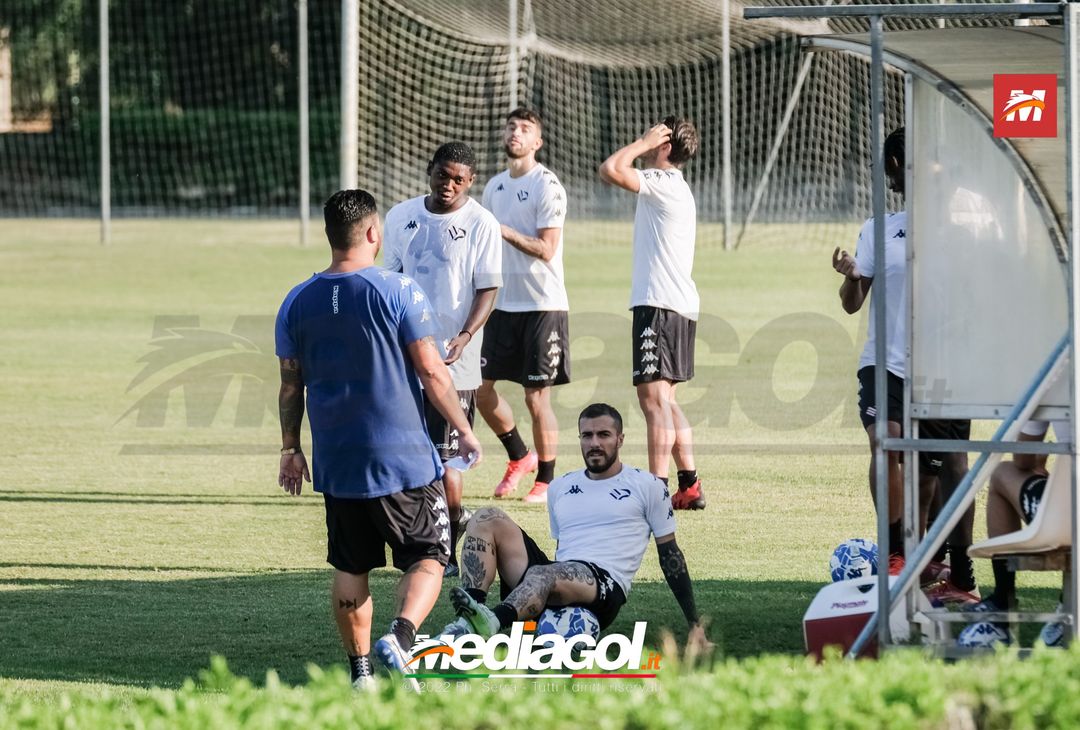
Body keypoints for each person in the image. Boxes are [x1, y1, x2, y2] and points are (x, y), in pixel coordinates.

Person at [275, 189, 482, 690]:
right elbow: (433, 372)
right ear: (372, 233)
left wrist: (290, 448)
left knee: (351, 565)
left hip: (337, 463)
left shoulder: (295, 301)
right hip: (404, 460)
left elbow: (290, 384)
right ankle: (403, 637)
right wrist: (463, 427)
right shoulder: (398, 290)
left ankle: (361, 674)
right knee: (431, 555)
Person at [831, 127, 978, 602]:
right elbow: (853, 304)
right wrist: (853, 277)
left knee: (951, 464)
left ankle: (960, 576)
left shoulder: (961, 226)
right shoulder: (879, 228)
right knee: (884, 440)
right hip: (885, 363)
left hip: (944, 366)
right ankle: (894, 553)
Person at [443, 403, 708, 649]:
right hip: (556, 577)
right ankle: (469, 619)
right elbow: (563, 549)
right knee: (485, 517)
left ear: (620, 439)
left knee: (543, 574)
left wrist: (694, 624)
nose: (595, 443)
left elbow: (670, 556)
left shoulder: (647, 486)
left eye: (604, 435)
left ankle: (493, 621)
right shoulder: (561, 486)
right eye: (587, 435)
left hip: (604, 586)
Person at [383, 142, 503, 576]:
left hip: (457, 361)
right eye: (442, 175)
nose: (448, 185)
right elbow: (391, 282)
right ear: (428, 170)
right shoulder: (401, 217)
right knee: (413, 455)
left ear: (470, 182)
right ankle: (423, 538)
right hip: (407, 355)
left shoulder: (481, 224)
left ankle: (448, 541)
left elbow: (488, 288)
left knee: (449, 461)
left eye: (459, 179)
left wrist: (467, 336)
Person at [598, 116, 705, 510]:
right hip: (676, 303)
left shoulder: (661, 184)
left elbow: (610, 169)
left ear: (665, 145)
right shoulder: (678, 188)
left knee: (653, 401)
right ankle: (689, 485)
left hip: (659, 304)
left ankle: (657, 490)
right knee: (666, 400)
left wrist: (640, 143)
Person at [479, 108, 571, 504]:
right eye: (512, 126)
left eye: (526, 129)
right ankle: (520, 455)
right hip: (502, 305)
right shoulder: (494, 187)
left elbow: (547, 249)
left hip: (542, 305)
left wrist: (502, 230)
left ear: (538, 142)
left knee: (537, 398)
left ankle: (547, 479)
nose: (516, 133)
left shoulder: (547, 185)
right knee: (478, 390)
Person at [958, 419, 1065, 647]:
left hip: (1066, 519)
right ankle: (1067, 603)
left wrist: (1040, 461)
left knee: (1002, 473)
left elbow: (1023, 458)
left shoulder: (1051, 381)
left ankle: (1002, 601)